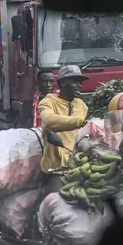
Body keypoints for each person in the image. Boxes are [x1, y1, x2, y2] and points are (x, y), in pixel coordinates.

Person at [37, 65, 89, 196]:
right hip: (57, 168)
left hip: (78, 164)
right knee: (55, 203)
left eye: (80, 82)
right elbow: (49, 121)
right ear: (62, 84)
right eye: (74, 81)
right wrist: (78, 122)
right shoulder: (48, 102)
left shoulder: (82, 106)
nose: (79, 85)